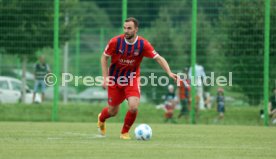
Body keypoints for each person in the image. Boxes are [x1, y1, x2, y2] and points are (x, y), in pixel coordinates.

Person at [97, 17, 178, 139]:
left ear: (136, 29)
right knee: (112, 111)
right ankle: (101, 119)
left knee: (133, 107)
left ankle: (124, 132)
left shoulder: (143, 44)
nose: (126, 30)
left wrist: (169, 72)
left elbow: (158, 58)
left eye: (129, 28)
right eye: (124, 28)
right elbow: (104, 57)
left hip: (132, 79)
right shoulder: (115, 42)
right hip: (115, 80)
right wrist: (105, 78)